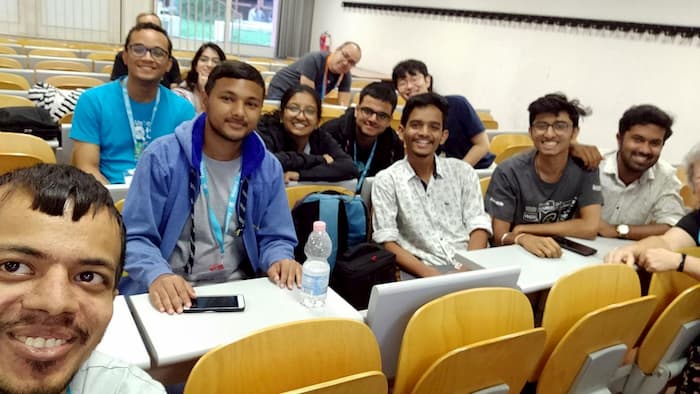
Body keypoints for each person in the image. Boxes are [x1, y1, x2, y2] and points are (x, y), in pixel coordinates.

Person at [121, 61, 301, 315]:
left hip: (240, 291)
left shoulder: (267, 166)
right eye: (228, 99)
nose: (239, 112)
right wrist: (157, 274)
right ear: (205, 100)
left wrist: (280, 258)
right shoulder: (162, 158)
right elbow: (135, 236)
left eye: (251, 104)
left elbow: (276, 237)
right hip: (170, 292)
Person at [0, 164, 164, 394]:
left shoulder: (125, 388)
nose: (54, 304)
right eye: (13, 266)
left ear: (113, 297)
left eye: (88, 276)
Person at [605, 142, 700, 394]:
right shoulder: (696, 220)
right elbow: (667, 241)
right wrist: (633, 250)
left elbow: (676, 256)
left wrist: (681, 262)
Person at [372, 92, 492, 278]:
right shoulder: (387, 180)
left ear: (443, 136)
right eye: (416, 125)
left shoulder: (463, 172)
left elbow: (478, 225)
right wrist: (433, 276)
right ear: (401, 131)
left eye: (434, 127)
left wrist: (465, 268)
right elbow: (387, 241)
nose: (424, 133)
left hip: (470, 263)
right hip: (421, 271)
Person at [71, 22, 195, 185]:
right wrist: (114, 202)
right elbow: (86, 166)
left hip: (162, 198)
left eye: (158, 53)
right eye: (138, 49)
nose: (147, 58)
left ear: (168, 65)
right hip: (106, 195)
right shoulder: (93, 100)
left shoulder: (183, 109)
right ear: (125, 56)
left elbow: (185, 171)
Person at [485, 93, 602, 258]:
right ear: (531, 132)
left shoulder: (586, 165)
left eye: (560, 126)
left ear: (574, 133)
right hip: (515, 256)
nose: (549, 134)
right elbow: (499, 236)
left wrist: (525, 229)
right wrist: (522, 238)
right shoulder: (508, 171)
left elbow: (590, 227)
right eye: (541, 125)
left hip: (561, 254)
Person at [598, 104, 685, 240]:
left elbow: (672, 225)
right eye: (638, 140)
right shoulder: (594, 164)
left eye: (655, 143)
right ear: (619, 139)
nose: (645, 150)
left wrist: (617, 230)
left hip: (627, 253)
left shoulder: (665, 176)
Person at [392, 59, 494, 169]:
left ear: (427, 80)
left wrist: (458, 174)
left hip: (478, 169)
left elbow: (482, 145)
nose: (409, 86)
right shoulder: (408, 117)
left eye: (414, 79)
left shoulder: (458, 104)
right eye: (403, 83)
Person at [257, 84, 358, 184]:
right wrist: (319, 159)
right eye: (293, 108)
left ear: (318, 121)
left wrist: (301, 175)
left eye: (310, 111)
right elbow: (268, 162)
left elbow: (349, 167)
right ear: (282, 115)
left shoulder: (320, 137)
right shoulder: (267, 130)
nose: (301, 117)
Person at [320, 81, 404, 192]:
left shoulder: (394, 144)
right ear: (357, 110)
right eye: (367, 111)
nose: (373, 119)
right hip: (331, 199)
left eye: (382, 115)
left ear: (389, 120)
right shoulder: (330, 133)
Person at [267, 42, 361, 106]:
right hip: (281, 90)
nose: (345, 63)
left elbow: (343, 106)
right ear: (336, 50)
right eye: (345, 55)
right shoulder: (314, 59)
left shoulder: (345, 74)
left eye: (351, 62)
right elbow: (308, 96)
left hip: (300, 98)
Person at [110, 12, 182, 88]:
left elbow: (175, 85)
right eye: (145, 27)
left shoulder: (169, 60)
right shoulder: (123, 57)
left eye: (155, 28)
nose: (147, 58)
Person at [173, 42, 226, 113]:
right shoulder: (180, 94)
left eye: (215, 61)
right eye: (204, 60)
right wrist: (203, 91)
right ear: (195, 66)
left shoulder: (227, 92)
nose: (209, 65)